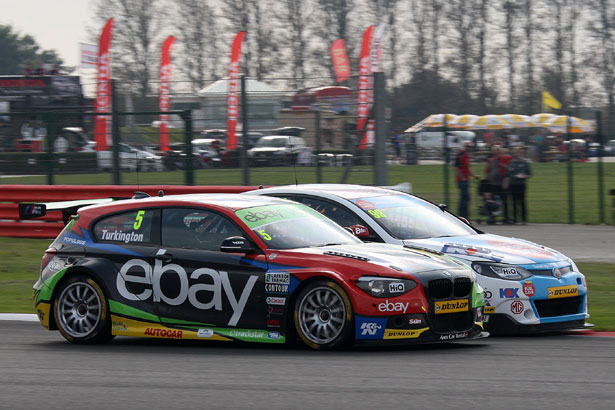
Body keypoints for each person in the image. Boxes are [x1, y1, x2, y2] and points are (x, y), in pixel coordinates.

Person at [485, 144, 512, 223]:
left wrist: (504, 167)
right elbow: (487, 171)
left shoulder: (506, 158)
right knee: (493, 201)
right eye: (496, 150)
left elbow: (510, 168)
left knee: (505, 201)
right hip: (493, 184)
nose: (497, 152)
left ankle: (506, 218)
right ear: (493, 152)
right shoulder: (490, 160)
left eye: (499, 150)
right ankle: (492, 217)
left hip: (502, 183)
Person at [454, 141, 479, 219]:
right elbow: (456, 168)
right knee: (465, 198)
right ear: (464, 147)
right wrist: (462, 177)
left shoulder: (467, 156)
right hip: (462, 181)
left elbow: (468, 168)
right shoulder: (460, 155)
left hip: (466, 180)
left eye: (470, 147)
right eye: (468, 147)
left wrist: (474, 176)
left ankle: (464, 215)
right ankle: (462, 215)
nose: (469, 148)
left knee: (465, 198)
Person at [508, 147, 532, 224]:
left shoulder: (524, 162)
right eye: (516, 152)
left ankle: (524, 219)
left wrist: (525, 176)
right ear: (514, 153)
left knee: (522, 202)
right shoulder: (512, 162)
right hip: (514, 184)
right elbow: (510, 172)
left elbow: (529, 173)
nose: (518, 154)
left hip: (521, 184)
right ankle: (515, 219)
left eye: (519, 152)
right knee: (514, 202)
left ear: (521, 153)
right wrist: (515, 175)